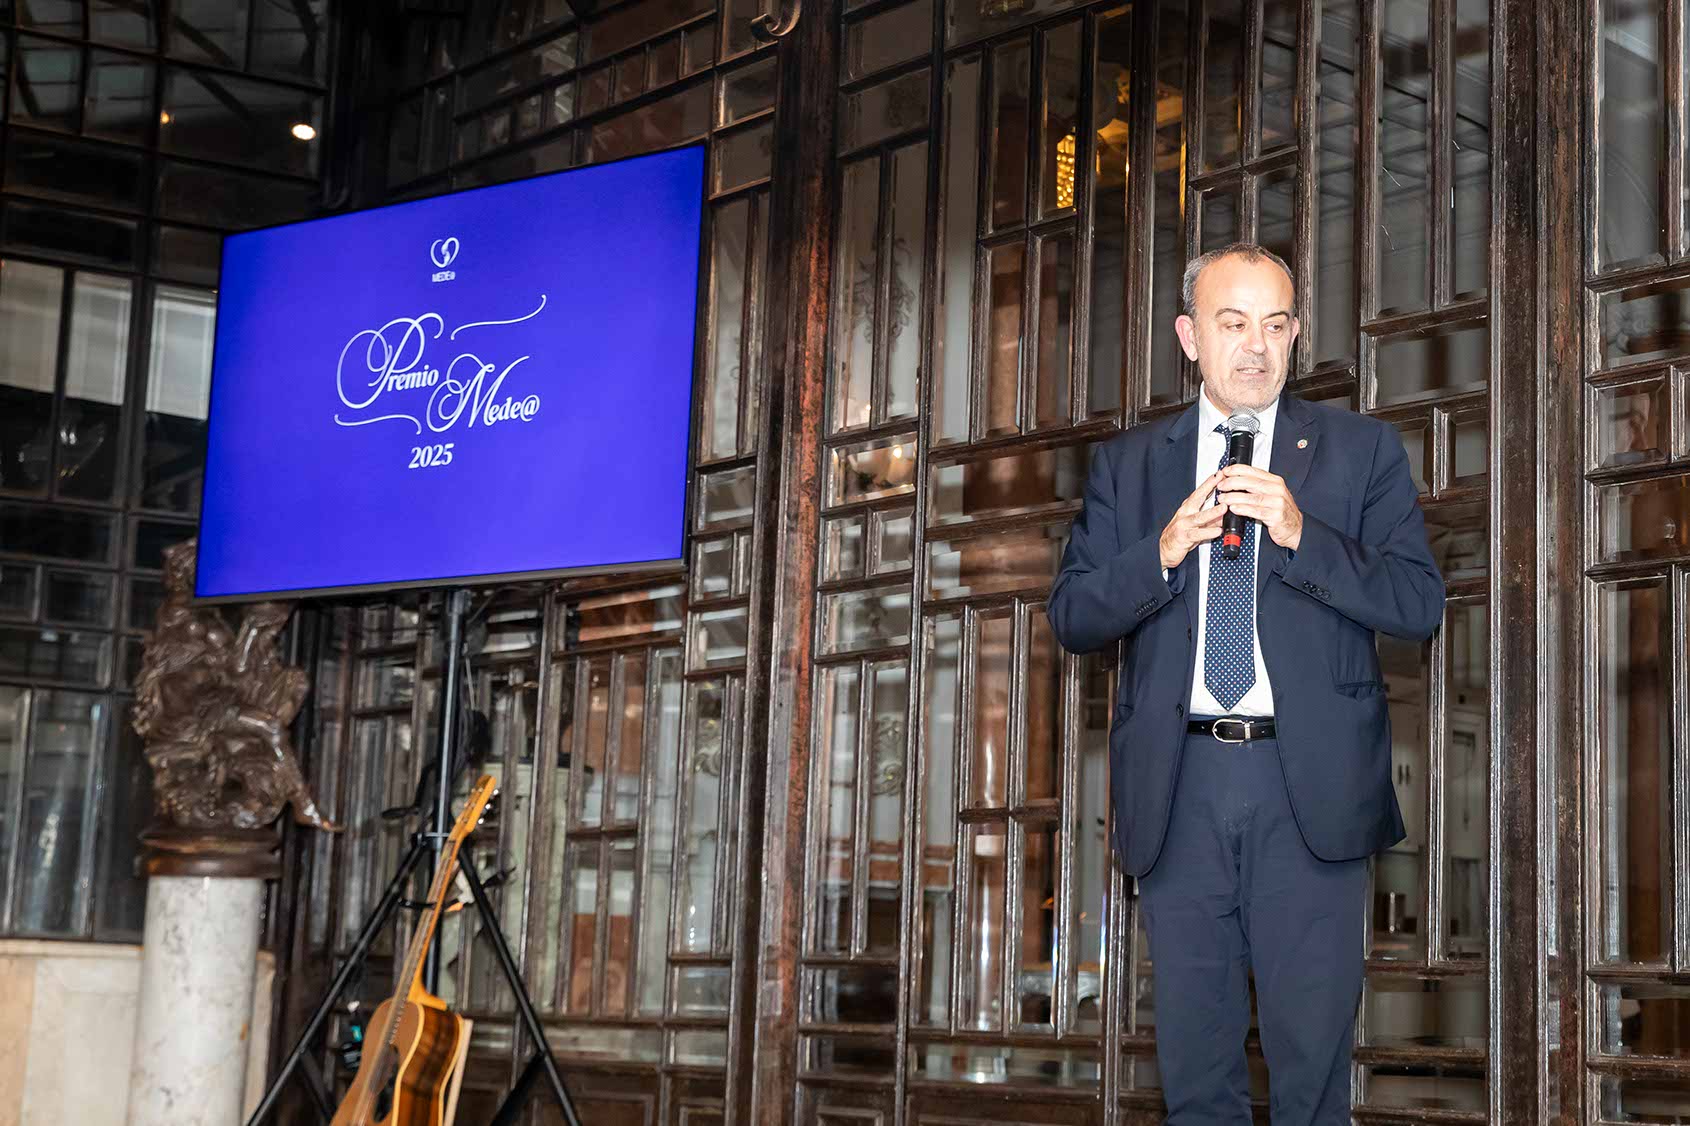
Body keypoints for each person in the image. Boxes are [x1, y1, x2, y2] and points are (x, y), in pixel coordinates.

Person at [1048, 243, 1444, 1124]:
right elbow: (1071, 614)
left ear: (1296, 335)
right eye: (1233, 324)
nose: (1256, 347)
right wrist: (1159, 554)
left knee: (1311, 1080)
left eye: (1275, 324)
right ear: (1190, 337)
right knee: (1195, 1079)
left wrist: (1306, 534)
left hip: (1309, 794)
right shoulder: (1129, 465)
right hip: (1179, 789)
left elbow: (1419, 604)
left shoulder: (1360, 452)